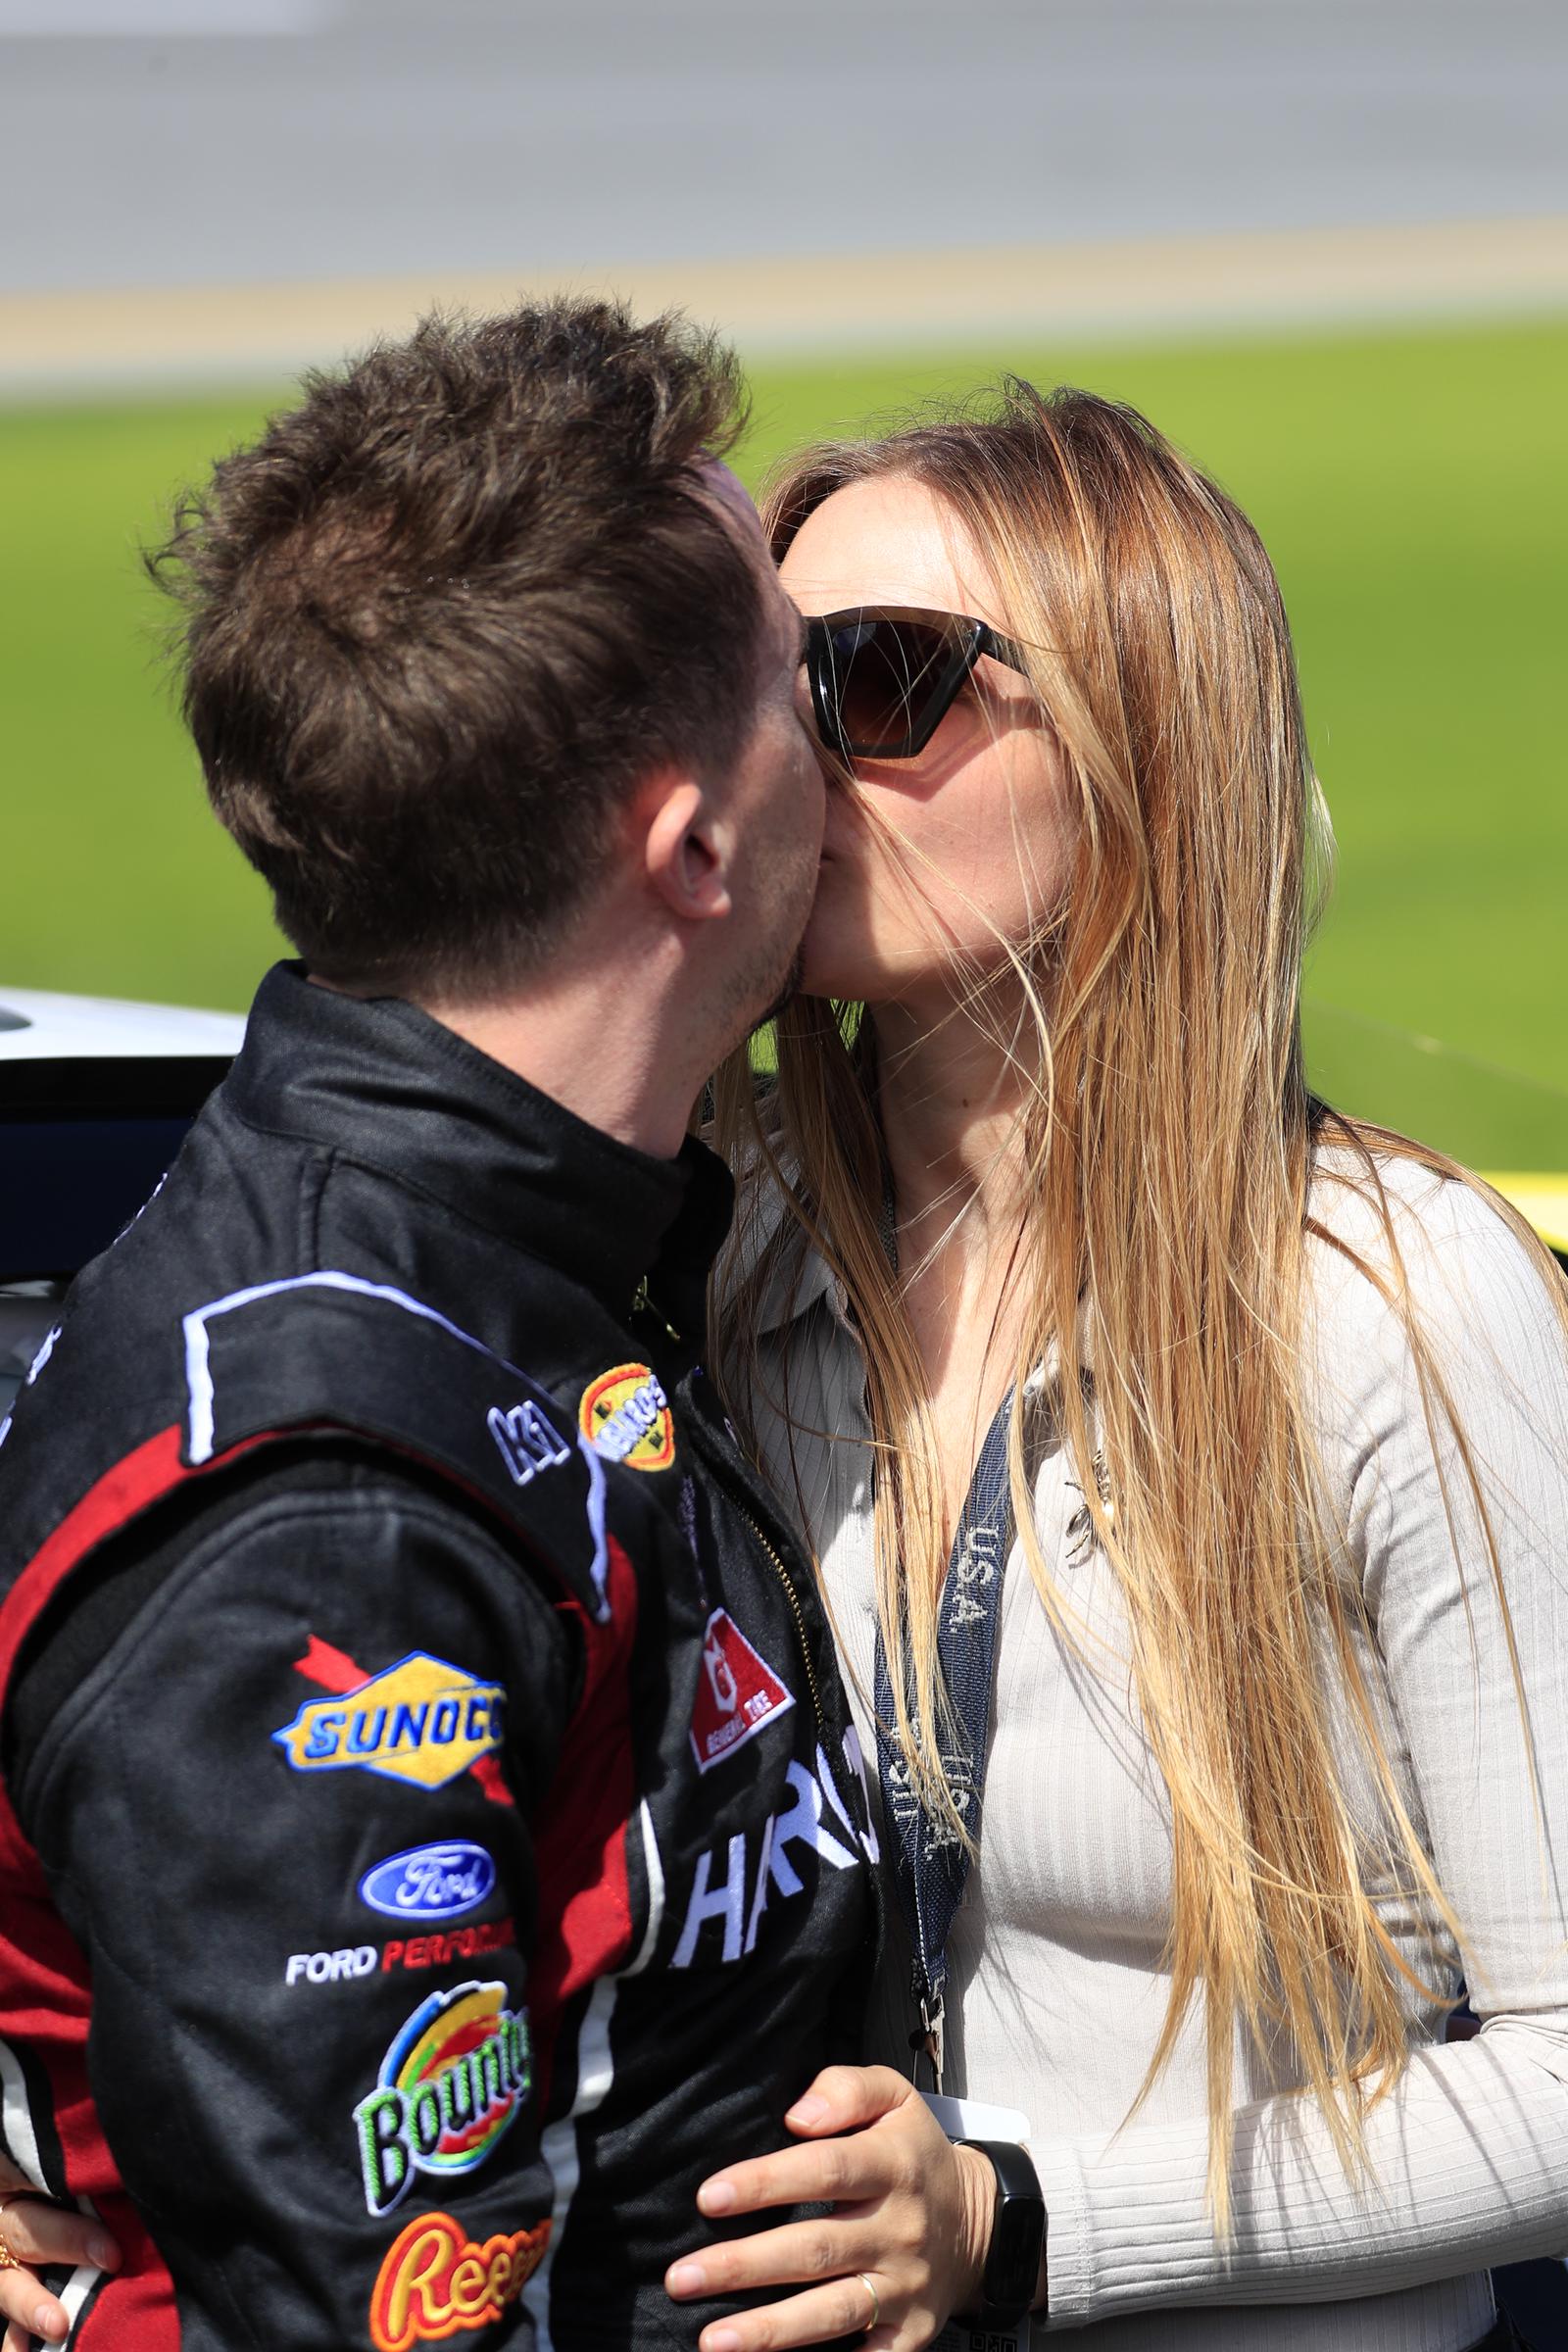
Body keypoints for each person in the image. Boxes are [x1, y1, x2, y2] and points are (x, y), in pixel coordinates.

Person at [0, 302, 989, 2352]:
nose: (853, 742)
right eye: (809, 685)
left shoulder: (590, 1224)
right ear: (693, 846)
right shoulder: (323, 1513)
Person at [661, 385, 1568, 2352]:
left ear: (1138, 741)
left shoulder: (1391, 1309)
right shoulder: (713, 1252)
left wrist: (1022, 2222)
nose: (792, 757)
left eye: (871, 682)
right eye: (755, 684)